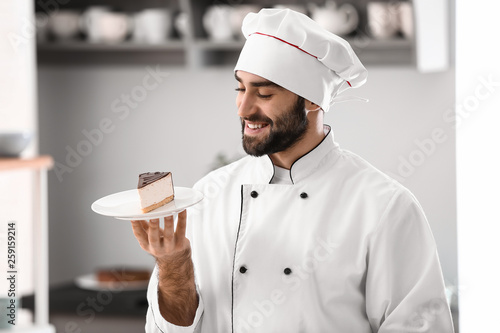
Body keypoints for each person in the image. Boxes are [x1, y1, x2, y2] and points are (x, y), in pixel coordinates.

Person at [131, 8, 455, 333]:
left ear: (312, 101)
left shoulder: (383, 207)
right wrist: (174, 265)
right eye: (240, 89)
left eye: (265, 93)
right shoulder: (209, 195)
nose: (244, 109)